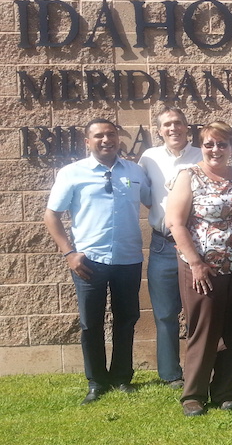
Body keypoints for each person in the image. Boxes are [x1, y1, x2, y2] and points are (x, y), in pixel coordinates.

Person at [44, 118, 151, 405]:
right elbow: (51, 214)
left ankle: (121, 377)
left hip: (128, 259)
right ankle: (96, 381)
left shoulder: (135, 171)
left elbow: (155, 203)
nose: (107, 140)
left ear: (119, 139)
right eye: (99, 136)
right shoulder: (72, 173)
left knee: (126, 319)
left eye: (112, 135)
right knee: (91, 323)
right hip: (88, 261)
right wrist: (69, 253)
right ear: (87, 142)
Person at [167, 122, 232, 417]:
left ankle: (224, 390)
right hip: (202, 269)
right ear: (201, 146)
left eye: (222, 144)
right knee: (203, 331)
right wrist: (195, 263)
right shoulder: (189, 176)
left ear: (231, 148)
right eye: (209, 144)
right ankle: (193, 394)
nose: (215, 150)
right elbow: (175, 223)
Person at [138, 107, 202, 389]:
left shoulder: (201, 155)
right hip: (163, 245)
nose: (173, 128)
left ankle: (198, 367)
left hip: (197, 245)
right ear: (159, 131)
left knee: (198, 310)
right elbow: (147, 198)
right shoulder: (149, 158)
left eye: (178, 123)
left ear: (187, 127)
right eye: (167, 125)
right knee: (165, 313)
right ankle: (169, 374)